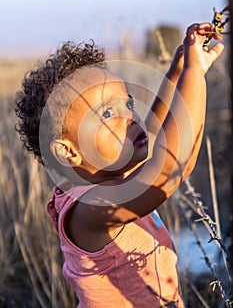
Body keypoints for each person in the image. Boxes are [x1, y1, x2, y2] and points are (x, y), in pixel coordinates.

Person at [14, 23, 224, 307]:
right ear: (69, 152)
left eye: (127, 103)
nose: (130, 117)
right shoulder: (90, 209)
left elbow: (151, 132)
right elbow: (168, 170)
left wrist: (176, 72)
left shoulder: (110, 173)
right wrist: (194, 75)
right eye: (108, 113)